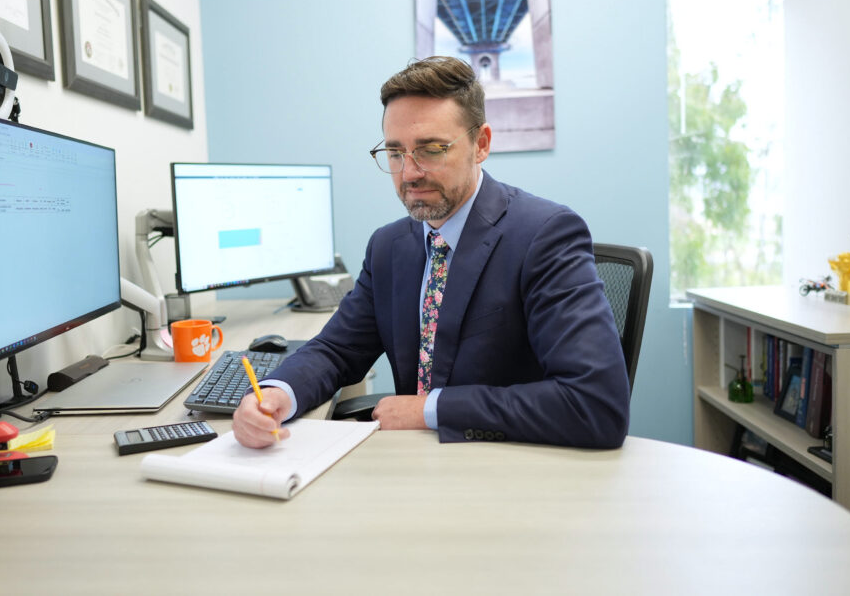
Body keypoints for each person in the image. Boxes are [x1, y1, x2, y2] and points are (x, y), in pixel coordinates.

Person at [232, 56, 629, 449]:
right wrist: (278, 393)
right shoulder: (389, 247)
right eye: (395, 153)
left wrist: (430, 410)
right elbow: (338, 350)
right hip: (415, 462)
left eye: (432, 149)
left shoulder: (544, 235)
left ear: (481, 144)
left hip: (508, 466)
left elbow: (595, 403)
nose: (409, 173)